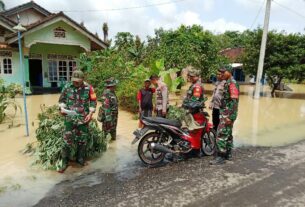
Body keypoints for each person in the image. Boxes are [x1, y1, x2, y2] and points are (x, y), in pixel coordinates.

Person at [58, 70, 97, 173]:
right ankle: (64, 162)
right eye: (74, 81)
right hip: (69, 118)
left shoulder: (89, 88)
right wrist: (62, 109)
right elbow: (61, 100)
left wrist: (90, 113)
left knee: (82, 140)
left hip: (83, 119)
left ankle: (80, 160)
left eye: (77, 81)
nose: (75, 83)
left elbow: (93, 100)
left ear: (82, 80)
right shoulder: (67, 87)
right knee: (67, 141)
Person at [210, 66, 239, 165]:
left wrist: (229, 117)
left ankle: (221, 156)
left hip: (227, 114)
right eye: (220, 72)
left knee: (221, 134)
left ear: (229, 72)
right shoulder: (227, 83)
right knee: (227, 134)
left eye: (223, 72)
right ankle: (228, 154)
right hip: (226, 113)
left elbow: (234, 102)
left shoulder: (232, 84)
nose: (221, 74)